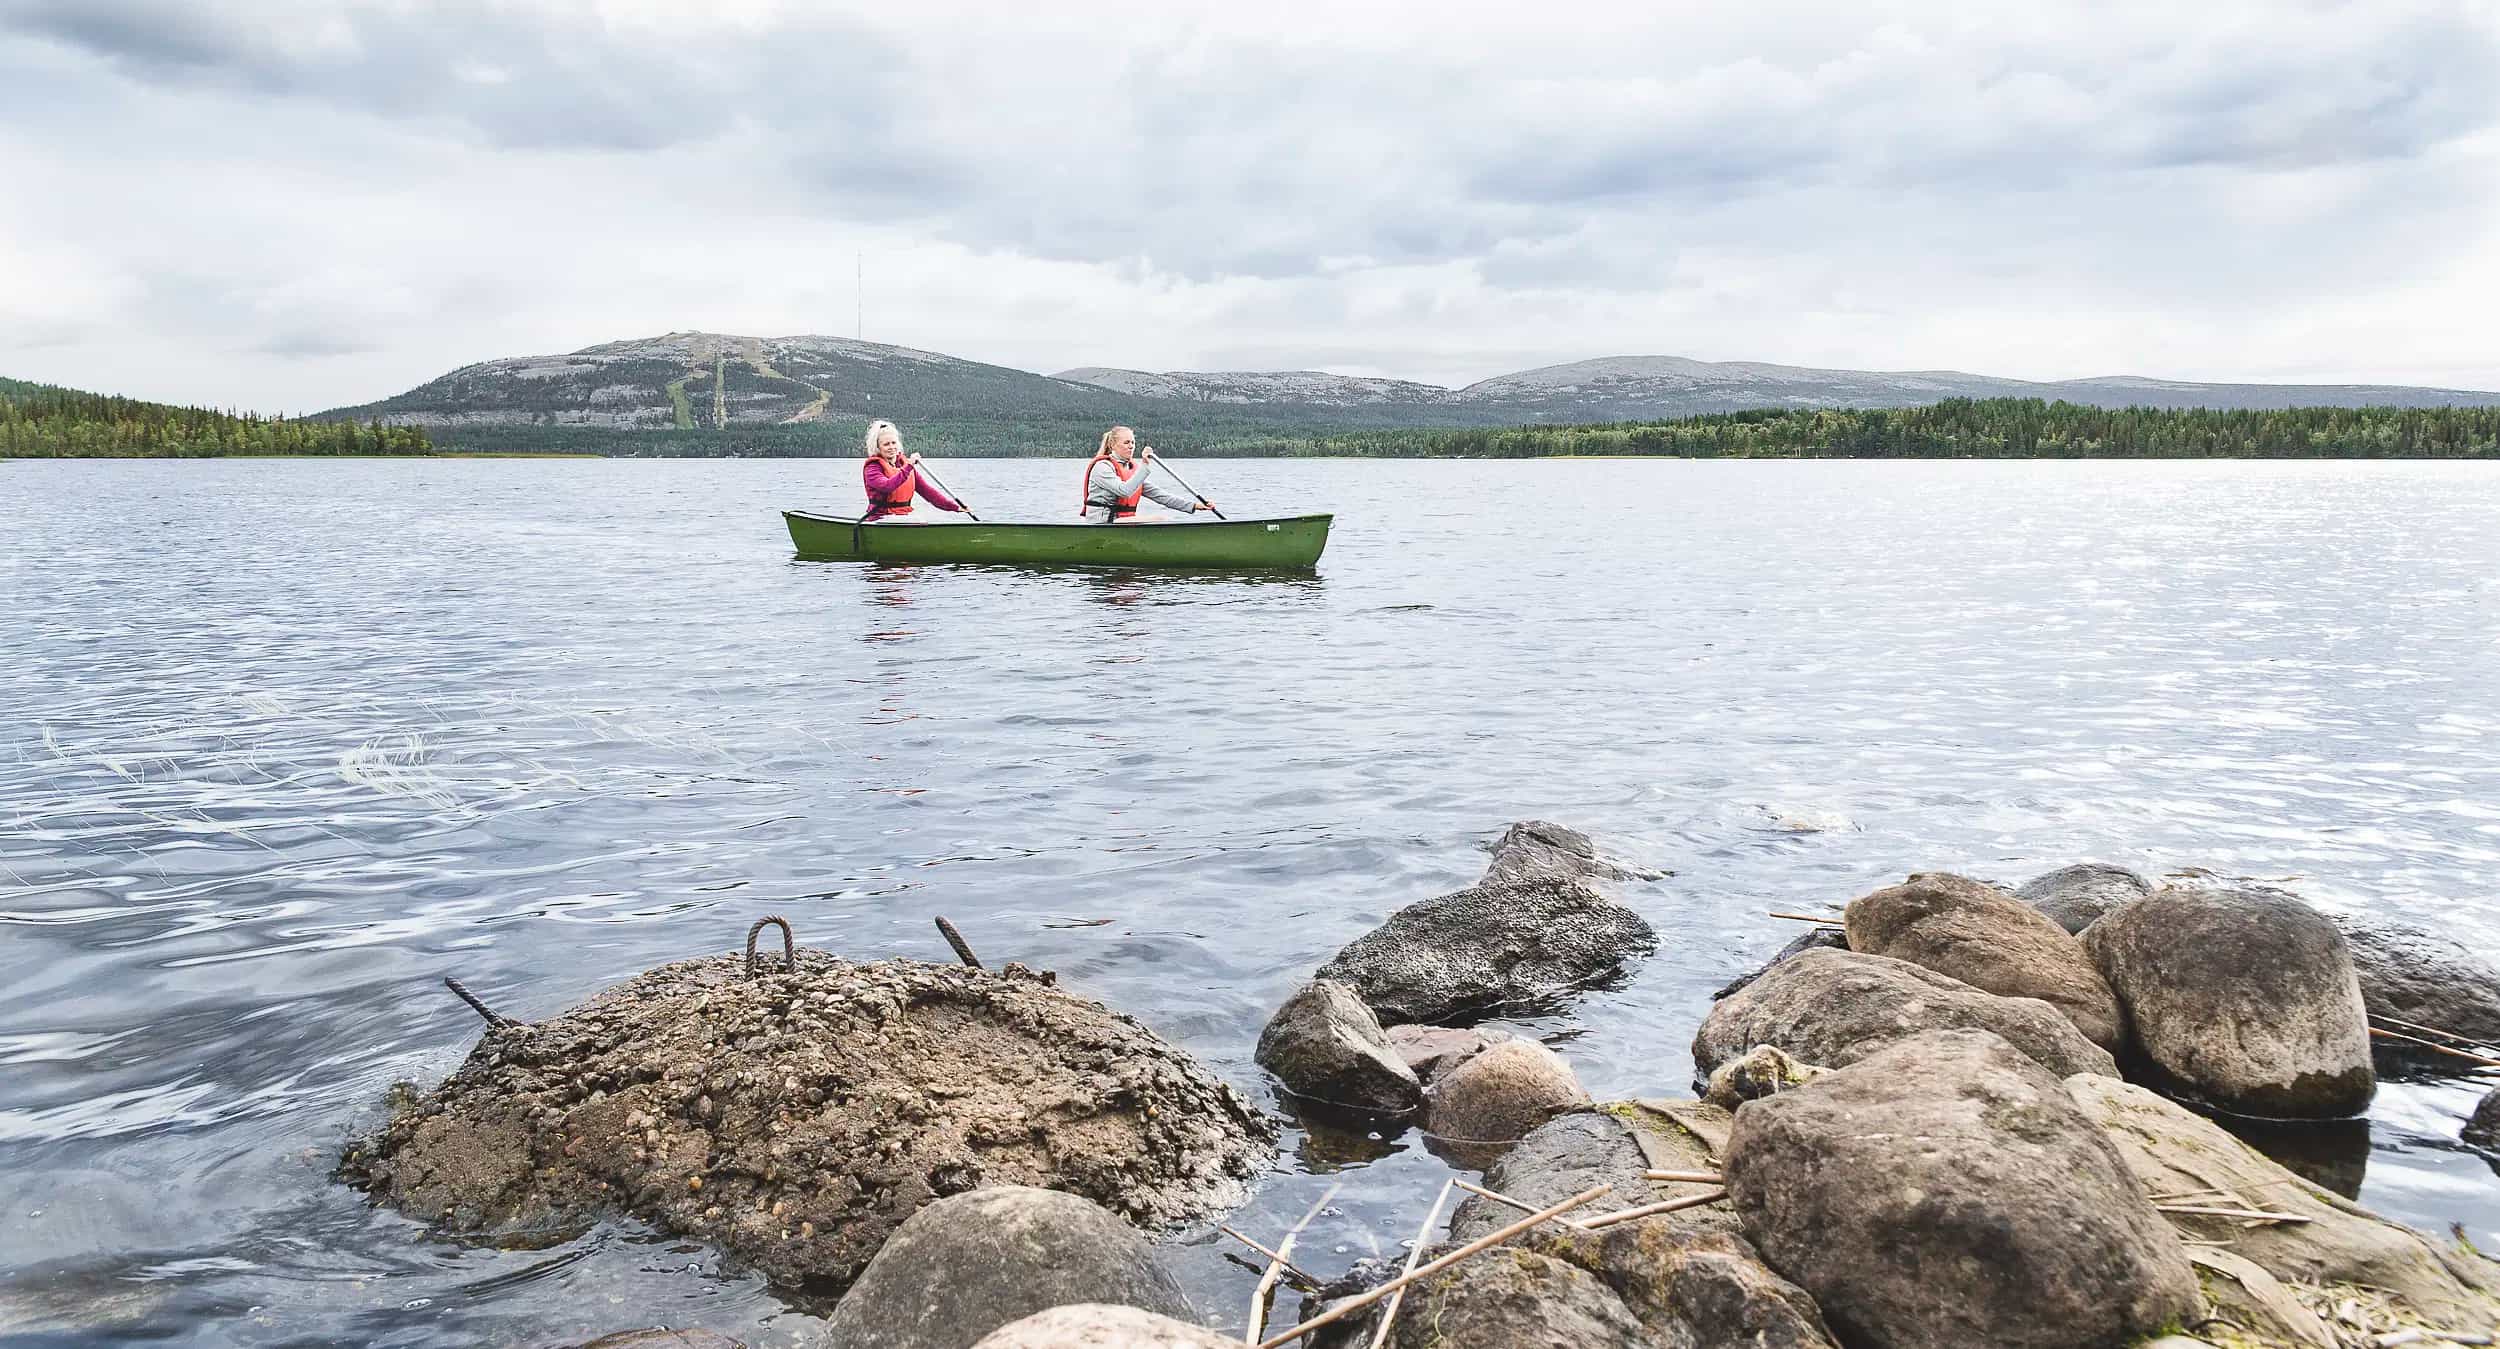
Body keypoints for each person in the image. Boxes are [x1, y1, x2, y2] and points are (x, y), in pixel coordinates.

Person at [1080, 426, 1214, 523]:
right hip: (1102, 523)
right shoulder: (1102, 467)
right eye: (1126, 442)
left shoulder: (1130, 469)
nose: (1131, 446)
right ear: (1113, 445)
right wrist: (1145, 464)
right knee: (1160, 519)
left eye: (1133, 442)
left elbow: (1162, 497)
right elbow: (1124, 491)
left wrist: (1195, 506)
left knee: (1161, 517)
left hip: (1120, 521)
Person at [861, 420, 965, 523]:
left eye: (894, 443)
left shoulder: (904, 464)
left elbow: (928, 492)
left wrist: (955, 507)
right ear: (878, 447)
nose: (892, 447)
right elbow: (887, 486)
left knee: (924, 519)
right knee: (919, 522)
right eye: (886, 444)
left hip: (903, 515)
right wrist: (909, 466)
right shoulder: (873, 467)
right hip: (881, 517)